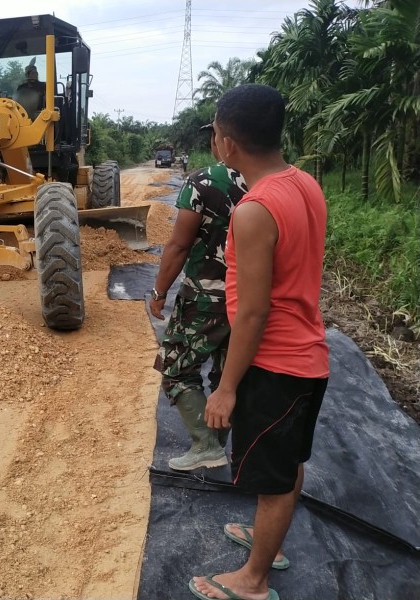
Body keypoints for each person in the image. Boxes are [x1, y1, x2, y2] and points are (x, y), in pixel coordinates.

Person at [189, 84, 329, 600]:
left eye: (215, 135)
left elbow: (252, 310)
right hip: (309, 357)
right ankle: (266, 543)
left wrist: (227, 387)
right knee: (288, 463)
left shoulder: (253, 210)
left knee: (273, 481)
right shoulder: (305, 185)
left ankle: (252, 579)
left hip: (276, 365)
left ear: (227, 144)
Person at [150, 121, 248, 471]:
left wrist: (159, 291)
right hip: (249, 302)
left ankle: (206, 445)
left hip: (204, 299)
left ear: (223, 140)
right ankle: (218, 446)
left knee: (176, 368)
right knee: (226, 376)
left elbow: (179, 245)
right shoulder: (269, 183)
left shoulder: (203, 182)